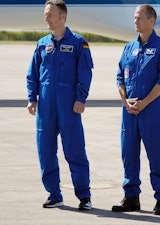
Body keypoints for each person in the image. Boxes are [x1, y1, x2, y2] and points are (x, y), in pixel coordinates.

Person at [26, 0, 93, 210]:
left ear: (63, 16)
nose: (46, 18)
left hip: (69, 106)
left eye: (50, 14)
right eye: (45, 14)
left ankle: (84, 197)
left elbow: (85, 74)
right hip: (45, 107)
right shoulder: (41, 44)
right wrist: (32, 98)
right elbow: (33, 74)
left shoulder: (78, 43)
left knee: (74, 151)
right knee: (45, 151)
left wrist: (81, 98)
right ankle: (54, 194)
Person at [111, 4, 160, 216]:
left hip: (151, 110)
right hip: (129, 112)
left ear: (151, 21)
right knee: (128, 154)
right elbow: (120, 76)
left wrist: (145, 102)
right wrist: (125, 101)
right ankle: (131, 197)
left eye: (139, 18)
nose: (135, 21)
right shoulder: (128, 48)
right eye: (134, 18)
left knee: (156, 154)